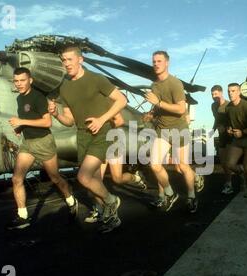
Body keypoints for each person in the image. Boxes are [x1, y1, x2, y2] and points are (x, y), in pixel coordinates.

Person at [48, 46, 127, 232]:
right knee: (94, 183)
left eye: (70, 59)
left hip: (103, 132)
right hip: (82, 135)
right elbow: (69, 121)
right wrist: (56, 114)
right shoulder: (64, 87)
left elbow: (122, 100)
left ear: (80, 60)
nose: (66, 64)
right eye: (63, 60)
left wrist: (102, 119)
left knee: (83, 177)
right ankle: (112, 219)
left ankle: (111, 201)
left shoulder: (96, 79)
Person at [8, 67, 77, 230]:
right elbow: (28, 118)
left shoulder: (37, 97)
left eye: (22, 80)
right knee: (16, 179)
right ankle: (23, 216)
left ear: (30, 80)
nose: (19, 84)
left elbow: (47, 123)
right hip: (28, 143)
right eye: (16, 81)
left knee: (55, 178)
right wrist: (19, 128)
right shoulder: (19, 99)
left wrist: (21, 122)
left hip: (43, 142)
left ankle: (70, 198)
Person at [145, 51, 198, 213]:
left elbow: (181, 108)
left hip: (179, 129)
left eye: (159, 61)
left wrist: (158, 102)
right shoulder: (154, 85)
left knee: (183, 166)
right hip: (162, 130)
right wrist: (151, 113)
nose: (156, 64)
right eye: (154, 61)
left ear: (167, 63)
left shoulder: (175, 83)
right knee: (154, 164)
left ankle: (191, 195)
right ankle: (170, 193)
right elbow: (157, 106)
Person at [83, 112, 147, 224]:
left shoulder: (108, 100)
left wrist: (102, 121)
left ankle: (135, 178)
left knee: (117, 178)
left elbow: (119, 120)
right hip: (97, 144)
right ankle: (100, 210)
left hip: (113, 142)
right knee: (94, 181)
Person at [211, 85, 233, 194]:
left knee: (230, 163)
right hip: (221, 137)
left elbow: (234, 120)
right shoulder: (213, 106)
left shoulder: (229, 105)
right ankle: (229, 182)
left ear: (221, 93)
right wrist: (212, 130)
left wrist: (228, 127)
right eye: (212, 94)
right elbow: (216, 120)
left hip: (230, 136)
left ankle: (238, 178)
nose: (214, 96)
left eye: (215, 94)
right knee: (223, 163)